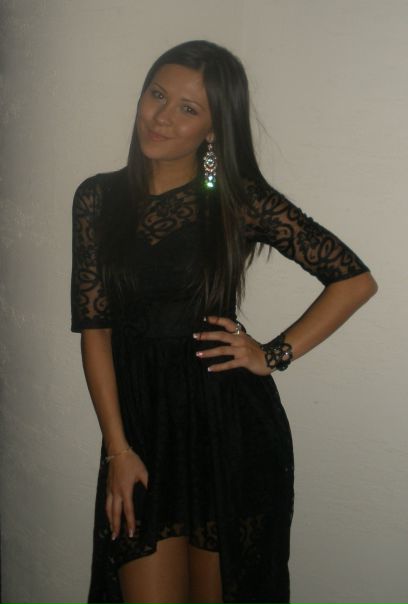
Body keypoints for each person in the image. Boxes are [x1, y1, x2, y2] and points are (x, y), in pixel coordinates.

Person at [70, 40, 377, 604]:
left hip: (228, 429)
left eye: (188, 108)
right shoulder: (97, 198)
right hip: (143, 432)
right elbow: (96, 332)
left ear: (213, 129)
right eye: (157, 95)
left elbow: (354, 281)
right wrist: (118, 449)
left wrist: (272, 353)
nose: (162, 116)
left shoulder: (235, 200)